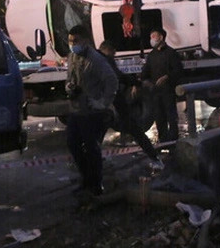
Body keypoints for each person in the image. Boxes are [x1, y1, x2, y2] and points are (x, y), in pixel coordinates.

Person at [65, 25, 118, 196]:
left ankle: (96, 184)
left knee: (91, 148)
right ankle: (86, 179)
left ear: (86, 41)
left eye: (76, 40)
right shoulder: (72, 56)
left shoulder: (96, 59)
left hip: (91, 112)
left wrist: (102, 102)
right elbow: (70, 77)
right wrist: (69, 87)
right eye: (70, 40)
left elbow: (112, 81)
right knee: (73, 144)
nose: (72, 44)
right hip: (75, 109)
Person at [98, 40, 164, 171]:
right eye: (113, 53)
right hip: (114, 103)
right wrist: (137, 83)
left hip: (102, 105)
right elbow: (118, 76)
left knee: (98, 132)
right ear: (108, 50)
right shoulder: (105, 60)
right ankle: (155, 159)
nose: (114, 56)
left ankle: (91, 161)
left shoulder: (95, 60)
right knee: (135, 130)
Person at [141, 27, 184, 144]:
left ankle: (174, 141)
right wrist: (144, 81)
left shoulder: (171, 53)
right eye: (150, 37)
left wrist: (167, 77)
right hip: (156, 92)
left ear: (161, 37)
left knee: (171, 116)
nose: (152, 39)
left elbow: (178, 70)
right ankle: (163, 141)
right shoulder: (151, 55)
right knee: (159, 117)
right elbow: (145, 72)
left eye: (153, 36)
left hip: (168, 91)